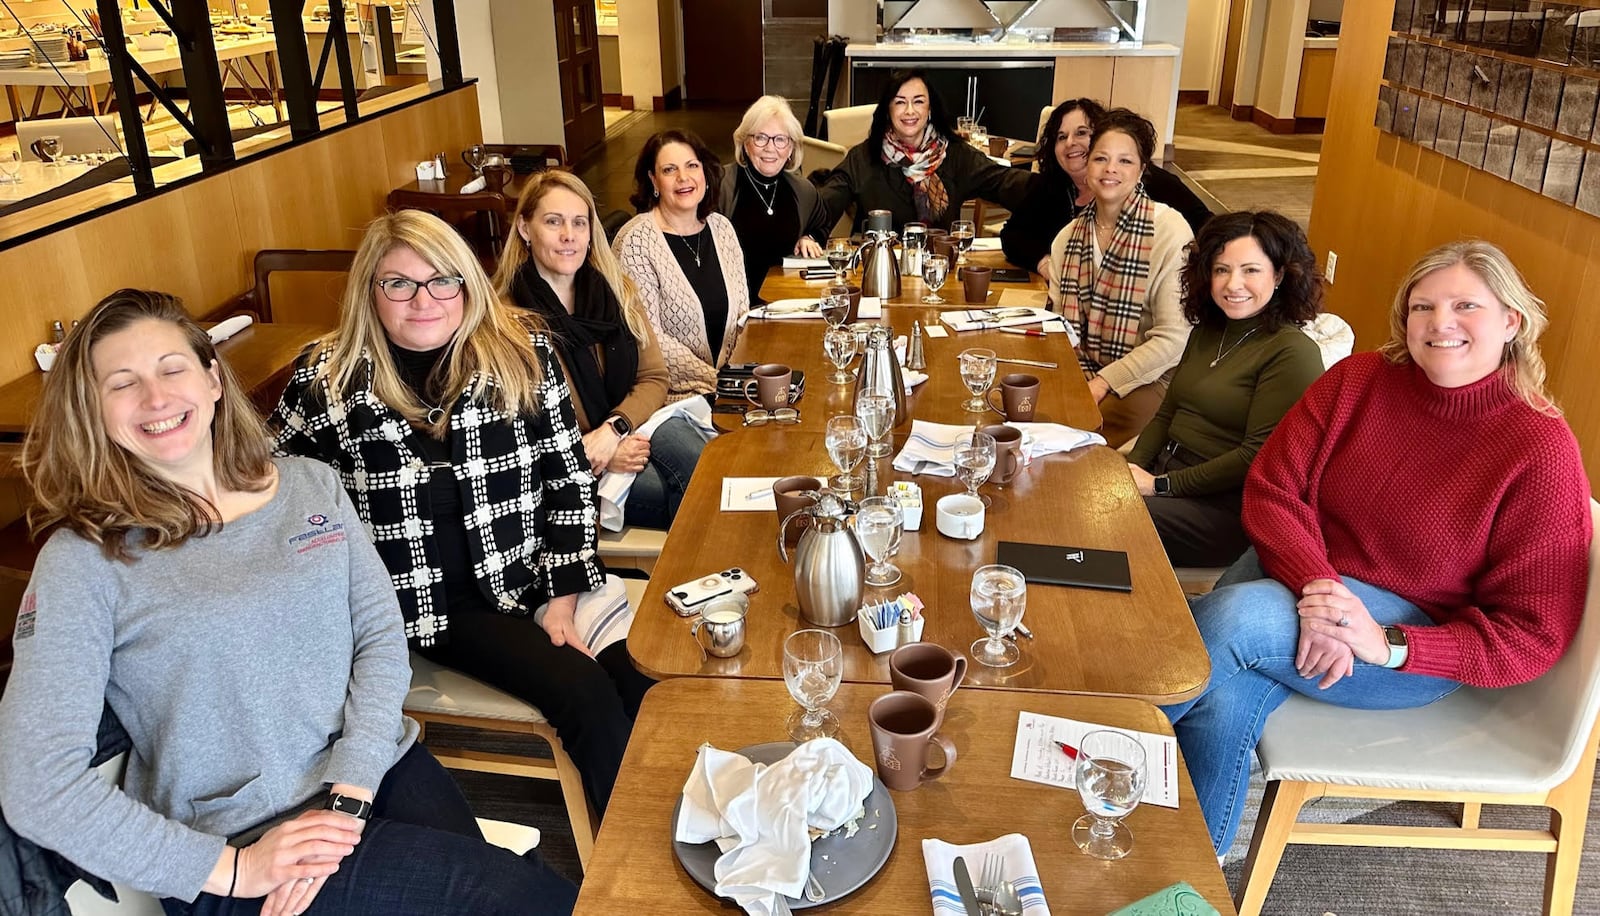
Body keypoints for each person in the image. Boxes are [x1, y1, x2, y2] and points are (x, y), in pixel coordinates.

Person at [0, 290, 577, 915]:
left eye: (172, 368)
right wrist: (236, 868)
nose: (156, 398)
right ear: (92, 409)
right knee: (531, 900)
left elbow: (379, 637)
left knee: (525, 898)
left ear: (214, 379)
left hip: (377, 771)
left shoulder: (307, 483)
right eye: (122, 383)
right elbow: (38, 786)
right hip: (243, 835)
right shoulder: (84, 560)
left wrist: (350, 786)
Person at [1163, 240, 1593, 855]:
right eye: (1422, 307)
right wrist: (1320, 588)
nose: (1439, 324)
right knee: (1223, 694)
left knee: (1226, 621)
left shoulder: (1539, 448)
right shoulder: (1359, 380)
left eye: (1465, 305)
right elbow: (1273, 492)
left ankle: (1074, 757)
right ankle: (1180, 883)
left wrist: (1386, 644)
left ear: (1511, 321)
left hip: (1407, 645)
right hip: (1294, 580)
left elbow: (1530, 639)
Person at [272, 210, 654, 821]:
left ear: (468, 285)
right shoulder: (328, 381)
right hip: (429, 605)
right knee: (585, 696)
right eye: (398, 283)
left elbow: (566, 476)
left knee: (643, 678)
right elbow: (276, 488)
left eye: (442, 280)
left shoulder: (520, 353)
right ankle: (633, 862)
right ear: (370, 292)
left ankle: (691, 824)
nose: (423, 300)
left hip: (530, 575)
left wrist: (561, 597)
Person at [495, 170, 705, 530]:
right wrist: (593, 451)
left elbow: (653, 377)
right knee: (697, 494)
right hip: (567, 473)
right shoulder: (506, 322)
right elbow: (513, 435)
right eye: (553, 222)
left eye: (580, 223)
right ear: (525, 229)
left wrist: (613, 431)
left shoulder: (617, 292)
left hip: (629, 431)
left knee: (704, 465)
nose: (568, 236)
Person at [1125, 211, 1325, 568]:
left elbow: (1256, 456)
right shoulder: (1207, 332)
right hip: (1166, 476)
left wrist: (1160, 486)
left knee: (1105, 519)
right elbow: (1167, 413)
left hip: (1227, 510)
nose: (1233, 284)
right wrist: (1131, 469)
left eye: (1251, 270)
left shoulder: (1292, 352)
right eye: (1221, 269)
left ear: (1279, 275)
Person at [1046, 108, 1195, 448]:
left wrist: (1102, 383)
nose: (1111, 169)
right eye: (1100, 158)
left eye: (1125, 161)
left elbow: (1173, 339)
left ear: (1142, 170)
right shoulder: (1066, 239)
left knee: (1078, 434)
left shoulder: (1169, 229)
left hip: (1154, 375)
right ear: (1088, 166)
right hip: (1083, 369)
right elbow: (1060, 329)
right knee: (1027, 408)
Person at [1000, 98, 1213, 274]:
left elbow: (1210, 229)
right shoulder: (1052, 185)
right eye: (1061, 137)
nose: (1070, 143)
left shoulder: (1153, 183)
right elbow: (1013, 236)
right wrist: (1045, 263)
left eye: (1082, 133)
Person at [613, 129, 750, 401]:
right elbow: (648, 338)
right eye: (669, 170)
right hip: (671, 399)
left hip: (730, 390)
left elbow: (742, 318)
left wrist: (741, 378)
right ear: (653, 180)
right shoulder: (636, 242)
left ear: (704, 173)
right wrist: (720, 382)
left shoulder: (722, 228)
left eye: (691, 166)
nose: (683, 178)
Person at [816, 68, 1037, 233]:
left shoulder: (955, 155)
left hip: (938, 271)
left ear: (930, 109)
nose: (910, 111)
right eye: (900, 102)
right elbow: (829, 199)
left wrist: (1057, 188)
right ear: (887, 111)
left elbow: (1003, 181)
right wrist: (810, 234)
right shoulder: (864, 157)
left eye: (918, 102)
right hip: (880, 270)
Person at [719, 95, 834, 302]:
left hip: (786, 301)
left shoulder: (802, 190)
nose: (770, 148)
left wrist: (809, 237)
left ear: (790, 148)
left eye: (780, 139)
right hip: (732, 304)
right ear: (746, 143)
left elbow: (822, 223)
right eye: (760, 138)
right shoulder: (721, 185)